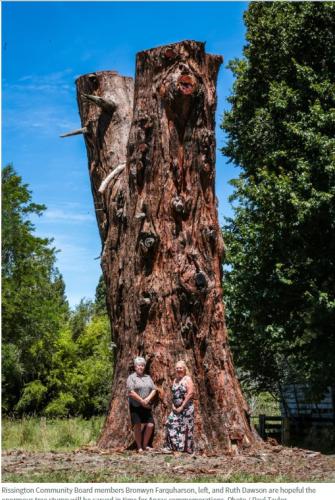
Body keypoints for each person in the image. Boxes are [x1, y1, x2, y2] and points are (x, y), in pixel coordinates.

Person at [126, 356, 157, 452]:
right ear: (135, 367)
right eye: (139, 365)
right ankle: (139, 447)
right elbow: (130, 392)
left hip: (146, 405)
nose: (141, 367)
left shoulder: (148, 377)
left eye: (142, 365)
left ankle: (144, 445)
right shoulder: (131, 377)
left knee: (150, 425)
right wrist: (141, 401)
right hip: (135, 405)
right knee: (138, 425)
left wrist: (147, 399)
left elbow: (154, 389)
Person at [164, 360, 195, 453]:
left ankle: (185, 449)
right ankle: (173, 446)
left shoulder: (187, 379)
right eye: (177, 368)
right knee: (170, 423)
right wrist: (173, 405)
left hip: (186, 408)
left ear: (184, 369)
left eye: (180, 368)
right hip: (176, 408)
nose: (179, 370)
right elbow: (174, 394)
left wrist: (182, 406)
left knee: (185, 427)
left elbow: (190, 393)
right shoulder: (175, 380)